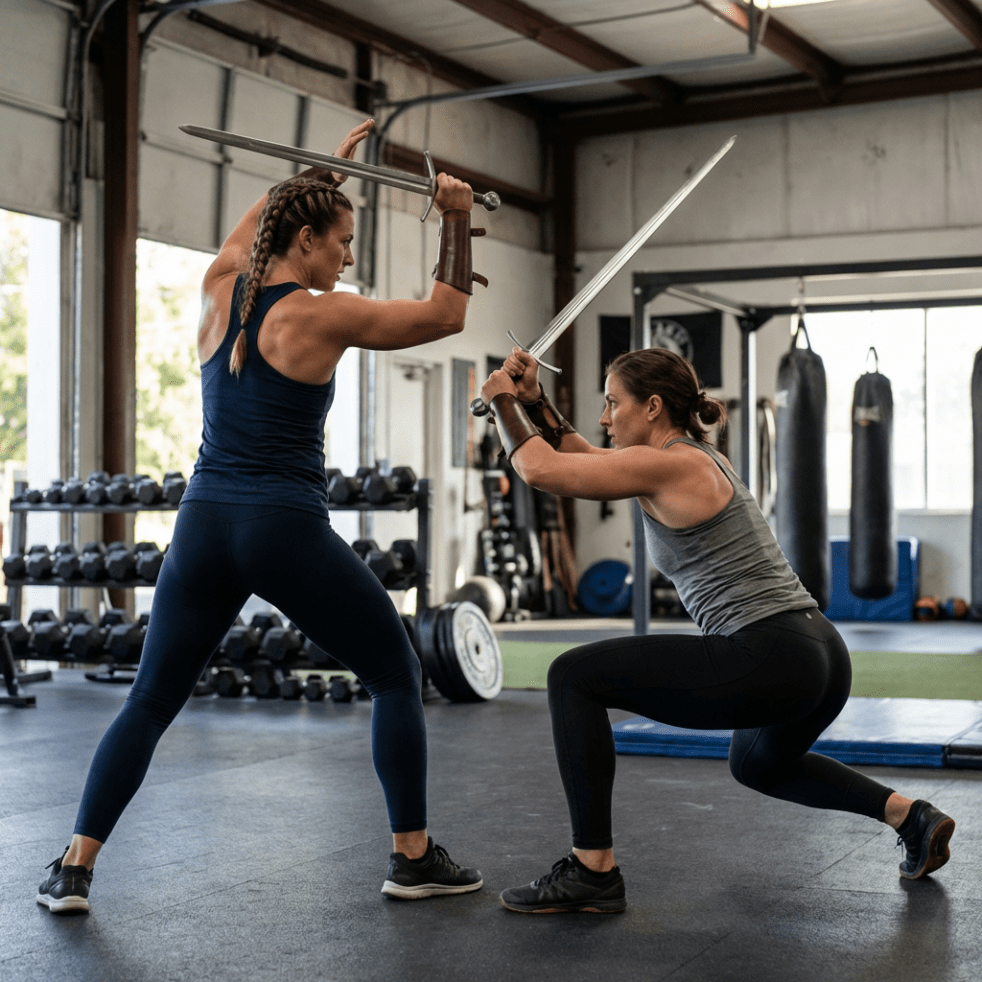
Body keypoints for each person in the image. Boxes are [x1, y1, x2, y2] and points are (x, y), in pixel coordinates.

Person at [37, 119, 485, 914]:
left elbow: (260, 226)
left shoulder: (217, 292)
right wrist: (454, 215)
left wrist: (319, 175)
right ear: (307, 240)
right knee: (393, 672)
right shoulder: (322, 314)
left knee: (150, 699)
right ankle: (412, 858)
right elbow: (445, 315)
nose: (348, 259)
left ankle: (75, 867)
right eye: (342, 242)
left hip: (202, 526)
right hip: (282, 529)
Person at [479, 345, 956, 914]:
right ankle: (910, 816)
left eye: (612, 403)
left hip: (772, 651)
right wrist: (535, 401)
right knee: (757, 763)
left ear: (652, 407)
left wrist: (501, 402)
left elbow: (540, 469)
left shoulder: (672, 464)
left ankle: (592, 869)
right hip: (820, 651)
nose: (604, 417)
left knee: (572, 677)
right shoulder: (691, 458)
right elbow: (581, 455)